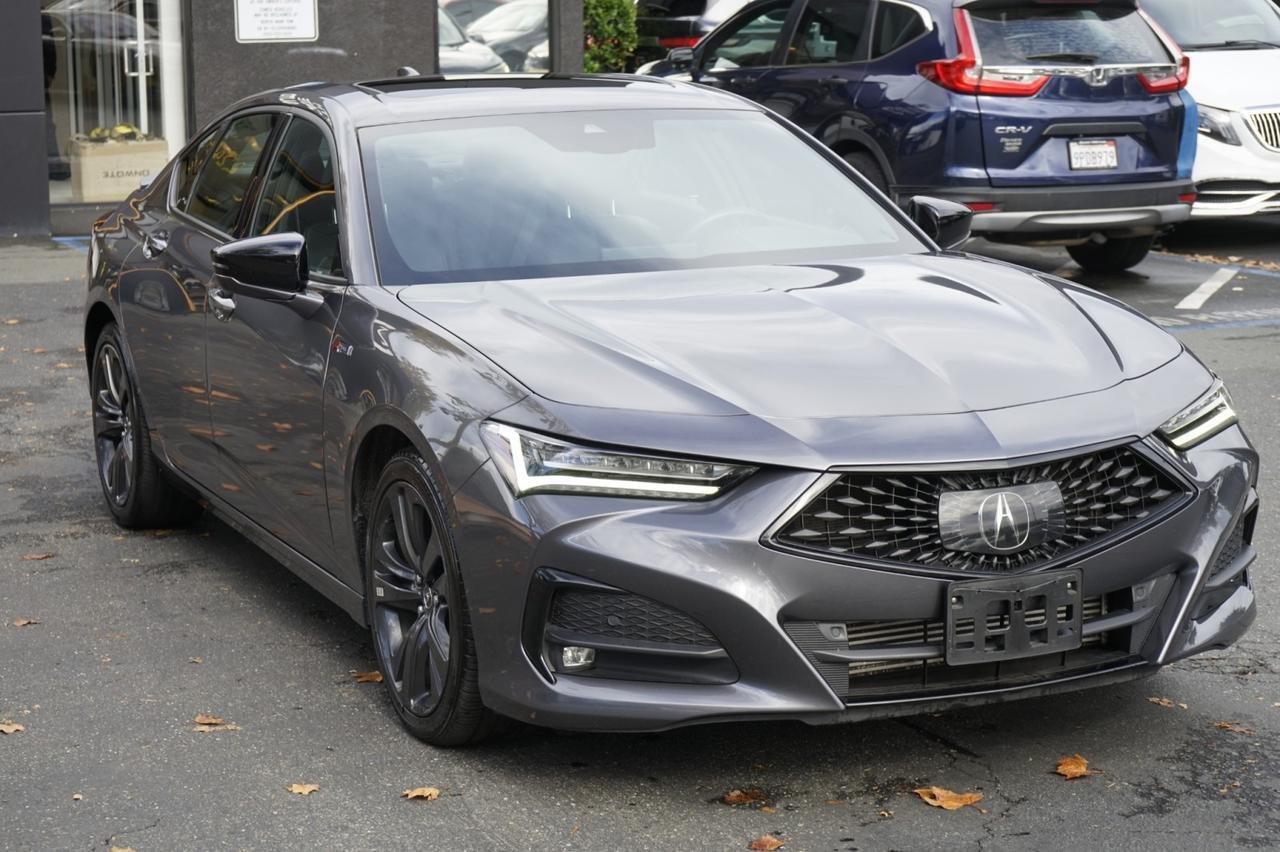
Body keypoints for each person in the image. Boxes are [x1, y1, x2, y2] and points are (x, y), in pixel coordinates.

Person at [44, 12, 71, 181]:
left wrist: (49, 73)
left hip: (39, 76)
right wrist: (49, 73)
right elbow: (49, 47)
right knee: (46, 121)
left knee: (47, 122)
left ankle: (54, 166)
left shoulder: (42, 16)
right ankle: (54, 166)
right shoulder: (42, 16)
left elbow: (48, 47)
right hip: (39, 76)